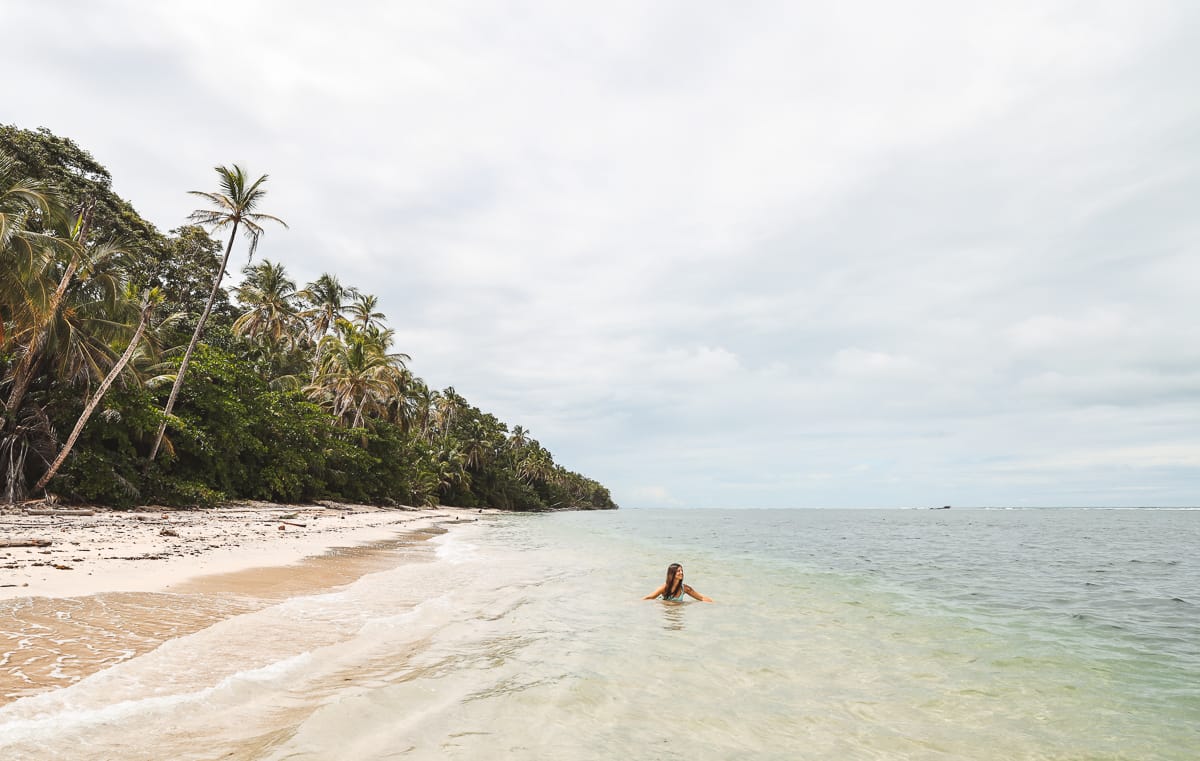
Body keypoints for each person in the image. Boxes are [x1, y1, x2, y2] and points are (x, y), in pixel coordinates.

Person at [643, 562, 713, 602]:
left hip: (677, 611)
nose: (681, 572)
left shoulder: (685, 588)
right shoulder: (665, 587)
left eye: (682, 570)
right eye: (678, 571)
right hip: (666, 613)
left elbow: (701, 598)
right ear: (672, 573)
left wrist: (715, 603)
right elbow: (650, 597)